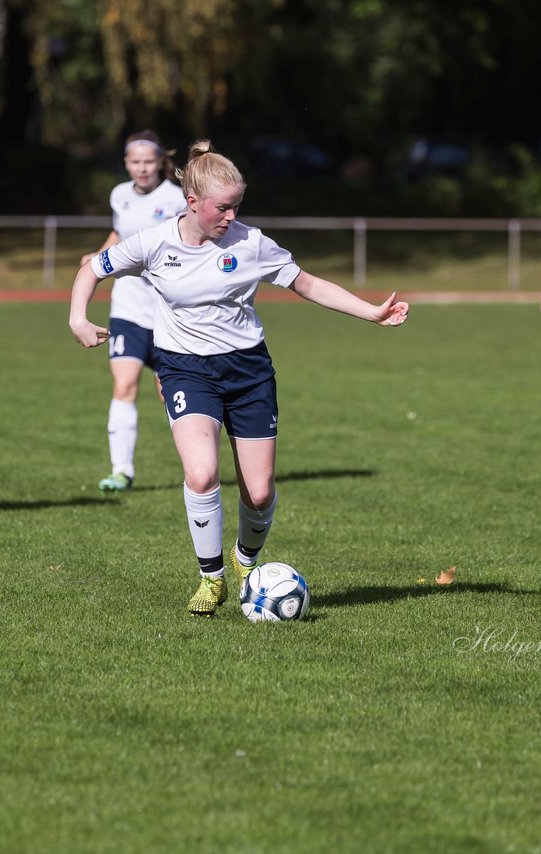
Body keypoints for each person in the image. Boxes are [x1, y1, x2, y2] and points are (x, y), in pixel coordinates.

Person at [69, 140, 409, 616]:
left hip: (248, 371)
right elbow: (92, 270)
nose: (231, 216)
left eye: (236, 206)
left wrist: (370, 313)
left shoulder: (251, 243)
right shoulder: (153, 242)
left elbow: (306, 283)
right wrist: (78, 319)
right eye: (222, 207)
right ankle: (212, 579)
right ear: (192, 203)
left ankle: (246, 561)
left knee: (261, 491)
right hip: (185, 368)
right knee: (202, 472)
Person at [80, 131, 188, 492]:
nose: (142, 168)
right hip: (127, 305)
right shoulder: (119, 195)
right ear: (126, 163)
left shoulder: (175, 199)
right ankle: (121, 470)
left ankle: (196, 468)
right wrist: (99, 256)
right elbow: (119, 234)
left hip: (167, 310)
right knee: (124, 384)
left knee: (168, 392)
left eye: (148, 161)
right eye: (135, 162)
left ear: (160, 162)